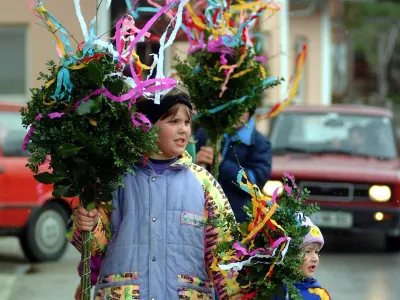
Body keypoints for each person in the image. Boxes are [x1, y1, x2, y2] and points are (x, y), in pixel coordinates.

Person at [67, 84, 241, 300]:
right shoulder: (115, 178)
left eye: (187, 122)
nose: (183, 129)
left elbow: (225, 253)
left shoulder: (203, 183)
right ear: (147, 125)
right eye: (173, 121)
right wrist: (88, 224)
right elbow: (95, 247)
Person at [195, 107, 272, 222]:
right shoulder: (206, 134)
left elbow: (255, 183)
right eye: (231, 108)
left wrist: (222, 164)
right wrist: (195, 164)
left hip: (239, 218)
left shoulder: (260, 143)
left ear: (250, 110)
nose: (235, 114)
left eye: (241, 109)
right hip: (202, 213)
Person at [275, 217, 331, 300]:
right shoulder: (272, 289)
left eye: (316, 252)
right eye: (308, 251)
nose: (315, 258)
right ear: (289, 255)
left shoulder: (319, 295)